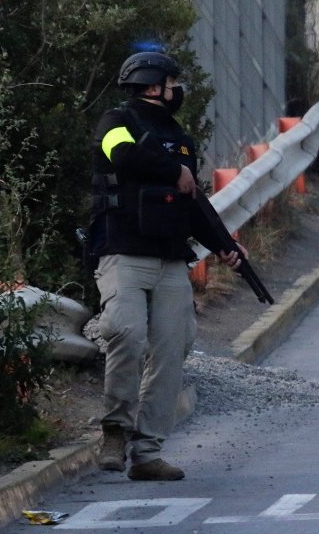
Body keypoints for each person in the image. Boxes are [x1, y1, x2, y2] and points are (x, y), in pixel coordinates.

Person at [89, 51, 244, 481]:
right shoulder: (114, 122)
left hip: (170, 258)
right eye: (173, 83)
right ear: (155, 85)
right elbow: (121, 156)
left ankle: (147, 451)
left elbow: (193, 204)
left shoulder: (181, 139)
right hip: (122, 252)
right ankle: (116, 431)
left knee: (173, 348)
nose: (178, 90)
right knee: (126, 331)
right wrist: (172, 168)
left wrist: (226, 246)